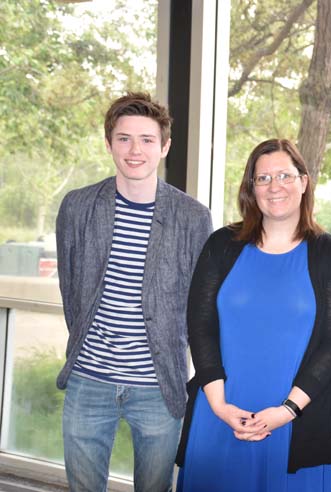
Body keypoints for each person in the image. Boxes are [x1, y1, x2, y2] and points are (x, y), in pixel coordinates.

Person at [55, 92, 213, 491]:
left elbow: (198, 304)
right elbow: (72, 292)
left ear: (165, 146)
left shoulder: (193, 218)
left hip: (159, 387)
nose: (135, 149)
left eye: (146, 139)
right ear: (108, 144)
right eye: (124, 138)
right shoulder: (77, 207)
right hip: (89, 379)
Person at [175, 138, 331, 492]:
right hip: (222, 412)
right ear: (251, 189)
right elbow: (201, 324)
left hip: (298, 418)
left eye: (285, 175)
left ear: (303, 182)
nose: (275, 186)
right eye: (263, 178)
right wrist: (220, 405)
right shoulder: (222, 245)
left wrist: (286, 411)